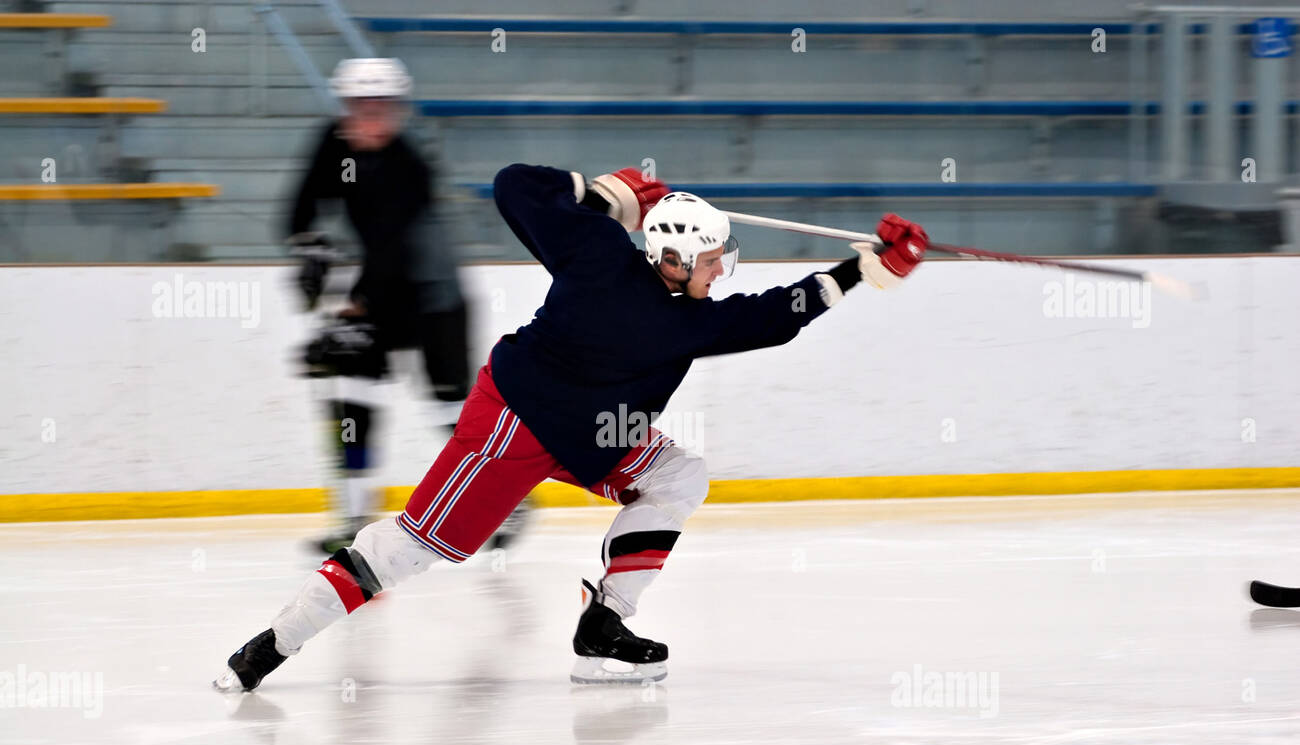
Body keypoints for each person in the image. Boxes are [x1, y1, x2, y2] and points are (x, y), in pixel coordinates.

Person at [215, 162, 928, 691]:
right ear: (673, 260)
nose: (723, 268)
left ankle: (604, 625)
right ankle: (272, 646)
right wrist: (867, 267)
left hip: (599, 431)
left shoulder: (598, 248)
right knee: (409, 548)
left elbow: (517, 187)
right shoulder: (679, 319)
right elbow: (777, 317)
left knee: (678, 475)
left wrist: (605, 194)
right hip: (517, 424)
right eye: (713, 258)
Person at [287, 57, 490, 553]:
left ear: (398, 111)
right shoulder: (334, 145)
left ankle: (503, 502)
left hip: (432, 298)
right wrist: (308, 241)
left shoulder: (407, 167)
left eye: (382, 106)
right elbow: (302, 201)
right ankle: (354, 516)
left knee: (450, 412)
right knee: (350, 392)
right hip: (381, 290)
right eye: (360, 106)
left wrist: (358, 304)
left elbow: (396, 250)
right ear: (345, 108)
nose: (371, 117)